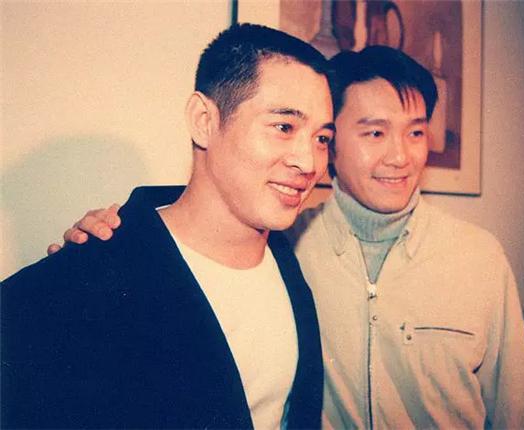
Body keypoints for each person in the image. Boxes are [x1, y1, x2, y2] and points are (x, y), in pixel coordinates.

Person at [49, 46, 524, 428]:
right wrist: (112, 240)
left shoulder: (478, 258)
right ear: (336, 143)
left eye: (415, 133)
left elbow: (517, 413)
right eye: (374, 133)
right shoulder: (286, 242)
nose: (400, 156)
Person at [1, 23, 335, 429]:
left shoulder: (288, 259)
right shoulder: (78, 282)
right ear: (203, 120)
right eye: (284, 127)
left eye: (322, 138)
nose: (309, 162)